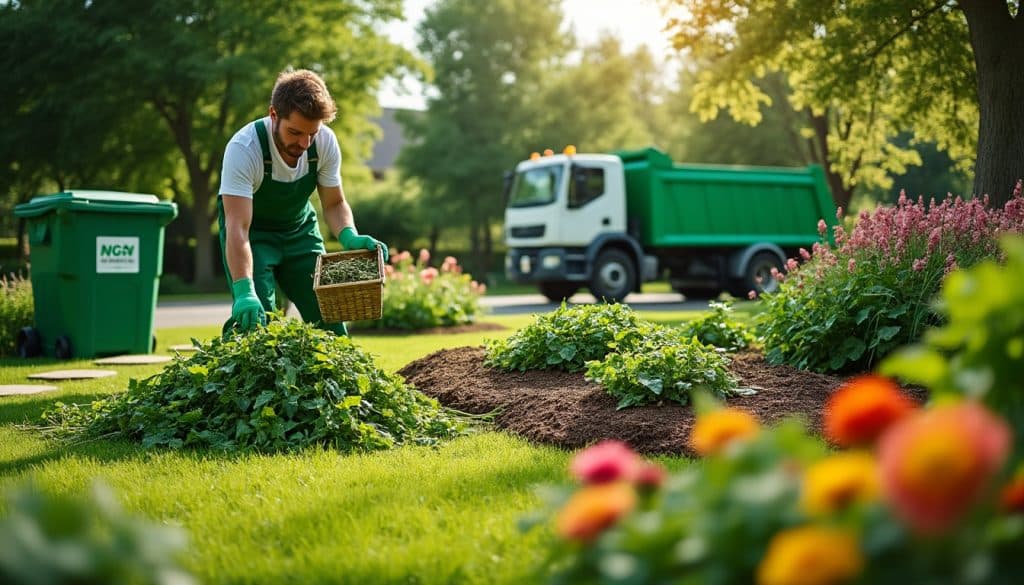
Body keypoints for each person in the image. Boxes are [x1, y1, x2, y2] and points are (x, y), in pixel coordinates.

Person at [217, 68, 387, 335]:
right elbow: (237, 226)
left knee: (330, 318)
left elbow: (333, 203)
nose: (304, 143)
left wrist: (349, 236)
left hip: (299, 232)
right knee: (256, 320)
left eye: (312, 133)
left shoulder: (325, 143)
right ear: (274, 114)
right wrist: (244, 290)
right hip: (254, 235)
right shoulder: (244, 148)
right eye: (295, 132)